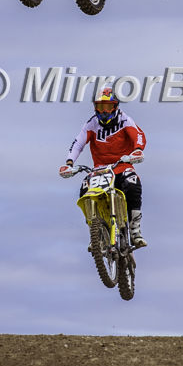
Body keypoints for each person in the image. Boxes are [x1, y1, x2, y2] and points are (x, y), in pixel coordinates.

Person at [59, 87, 148, 248]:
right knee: (85, 189)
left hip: (121, 165)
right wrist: (69, 163)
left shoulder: (125, 120)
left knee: (132, 183)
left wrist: (137, 150)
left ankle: (135, 230)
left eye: (107, 107)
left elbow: (138, 135)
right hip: (100, 170)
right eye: (100, 107)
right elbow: (78, 143)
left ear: (115, 107)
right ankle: (96, 233)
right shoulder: (91, 123)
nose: (104, 111)